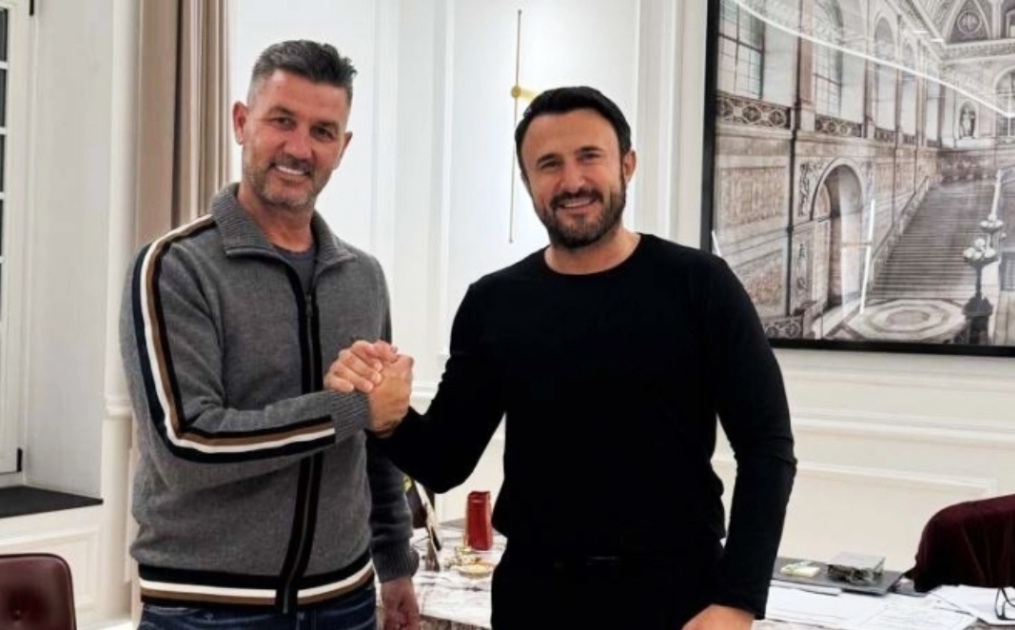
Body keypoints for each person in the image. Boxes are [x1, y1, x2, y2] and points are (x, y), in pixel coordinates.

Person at [327, 86, 797, 630]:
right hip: (536, 597)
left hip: (677, 596)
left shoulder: (700, 285)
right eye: (549, 164)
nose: (572, 182)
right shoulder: (494, 303)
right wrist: (385, 414)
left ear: (627, 165)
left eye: (589, 157)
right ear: (528, 182)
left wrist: (737, 600)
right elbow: (445, 461)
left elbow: (767, 446)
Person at [118, 40, 419, 630]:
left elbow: (376, 441)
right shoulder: (173, 267)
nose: (299, 148)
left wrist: (394, 562)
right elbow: (188, 445)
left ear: (342, 148)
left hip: (346, 601)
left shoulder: (364, 277)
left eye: (322, 131)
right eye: (282, 121)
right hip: (207, 609)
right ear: (241, 122)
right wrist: (351, 407)